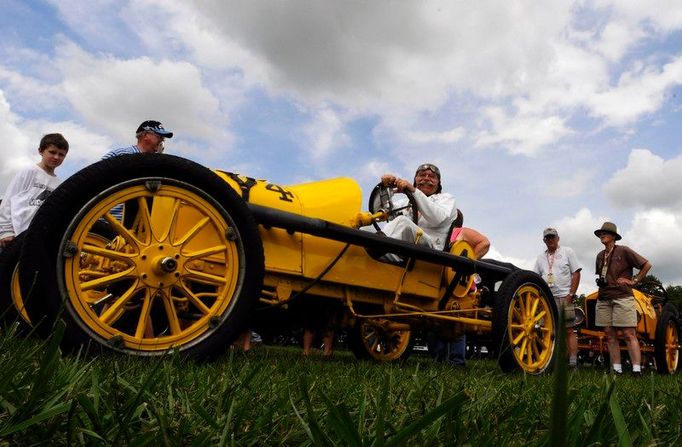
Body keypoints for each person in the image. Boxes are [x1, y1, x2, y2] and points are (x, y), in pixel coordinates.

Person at [594, 222, 652, 375]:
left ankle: (636, 369)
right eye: (600, 233)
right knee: (610, 335)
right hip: (604, 298)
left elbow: (646, 264)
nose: (602, 235)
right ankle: (617, 368)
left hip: (622, 297)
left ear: (613, 236)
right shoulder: (600, 256)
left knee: (628, 333)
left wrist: (634, 280)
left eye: (605, 233)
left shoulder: (624, 250)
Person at [0, 133, 69, 249]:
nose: (56, 157)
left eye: (61, 154)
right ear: (41, 151)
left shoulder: (58, 183)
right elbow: (9, 200)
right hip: (15, 234)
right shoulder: (29, 171)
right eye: (52, 152)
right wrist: (6, 231)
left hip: (35, 238)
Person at [380, 163, 457, 260]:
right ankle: (373, 247)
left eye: (432, 177)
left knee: (402, 222)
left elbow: (437, 218)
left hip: (430, 252)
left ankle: (377, 245)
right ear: (415, 180)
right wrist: (386, 189)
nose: (426, 178)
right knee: (366, 230)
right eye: (422, 175)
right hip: (400, 252)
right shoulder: (404, 203)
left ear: (438, 182)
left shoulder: (447, 199)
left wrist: (413, 191)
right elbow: (379, 213)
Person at [532, 227, 582, 369]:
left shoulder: (568, 252)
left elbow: (576, 273)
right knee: (545, 330)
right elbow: (535, 276)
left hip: (564, 296)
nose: (550, 240)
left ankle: (572, 363)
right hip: (546, 299)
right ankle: (548, 360)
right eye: (547, 238)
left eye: (552, 237)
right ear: (544, 240)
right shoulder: (540, 257)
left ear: (558, 238)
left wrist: (571, 294)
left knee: (569, 330)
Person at [102, 120, 173, 158]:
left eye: (163, 139)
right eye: (159, 137)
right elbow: (96, 173)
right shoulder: (120, 154)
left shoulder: (158, 162)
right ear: (145, 135)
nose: (161, 141)